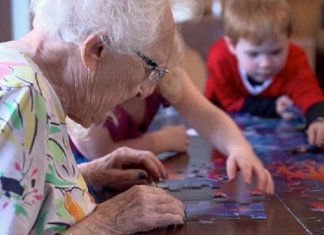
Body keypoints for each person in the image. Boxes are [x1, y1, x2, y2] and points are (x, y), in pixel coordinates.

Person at [0, 0, 191, 234]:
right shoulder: (20, 95)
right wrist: (109, 220)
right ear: (96, 49)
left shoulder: (20, 71)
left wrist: (86, 174)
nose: (146, 90)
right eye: (150, 68)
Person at [68, 31, 274, 195]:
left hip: (132, 180)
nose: (147, 90)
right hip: (78, 182)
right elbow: (101, 155)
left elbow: (209, 118)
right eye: (140, 75)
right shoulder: (90, 86)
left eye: (156, 73)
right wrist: (161, 141)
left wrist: (240, 149)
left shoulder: (162, 70)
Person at [205, 0, 324, 147]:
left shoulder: (295, 58)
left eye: (276, 51)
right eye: (253, 54)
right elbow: (228, 101)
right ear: (232, 45)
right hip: (223, 137)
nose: (265, 63)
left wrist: (318, 119)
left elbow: (309, 92)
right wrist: (272, 106)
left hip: (278, 143)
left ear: (289, 38)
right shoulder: (219, 59)